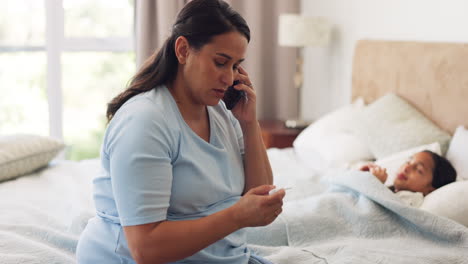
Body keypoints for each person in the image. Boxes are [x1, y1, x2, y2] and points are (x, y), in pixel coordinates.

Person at [76, 0, 285, 263]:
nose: (230, 79)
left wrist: (249, 124)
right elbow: (146, 249)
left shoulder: (221, 113)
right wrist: (236, 216)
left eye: (235, 66)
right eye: (221, 62)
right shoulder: (145, 121)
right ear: (183, 50)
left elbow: (259, 197)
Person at [360, 150, 457, 197]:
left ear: (430, 190)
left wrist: (373, 183)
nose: (406, 168)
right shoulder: (391, 190)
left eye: (418, 169)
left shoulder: (412, 201)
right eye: (408, 161)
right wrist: (360, 178)